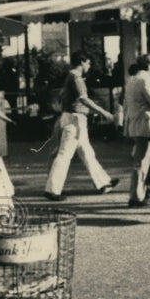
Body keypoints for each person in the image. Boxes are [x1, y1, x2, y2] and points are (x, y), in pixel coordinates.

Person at [43, 51, 119, 201]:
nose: (89, 66)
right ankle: (52, 190)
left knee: (87, 153)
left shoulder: (70, 77)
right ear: (82, 62)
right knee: (65, 155)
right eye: (88, 63)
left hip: (72, 118)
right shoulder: (76, 77)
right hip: (75, 120)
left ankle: (103, 183)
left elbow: (62, 96)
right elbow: (84, 99)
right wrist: (104, 112)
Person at [123, 54, 150, 208]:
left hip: (135, 123)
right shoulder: (146, 79)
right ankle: (141, 193)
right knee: (147, 160)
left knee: (140, 160)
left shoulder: (132, 79)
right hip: (146, 124)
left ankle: (138, 193)